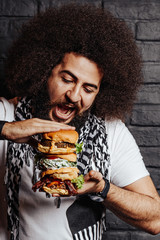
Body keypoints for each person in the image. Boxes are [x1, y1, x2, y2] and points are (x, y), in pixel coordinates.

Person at [0, 4, 160, 240]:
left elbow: (156, 219)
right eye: (67, 79)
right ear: (45, 70)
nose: (74, 96)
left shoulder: (110, 132)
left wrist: (103, 189)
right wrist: (6, 129)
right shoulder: (7, 112)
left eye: (88, 88)